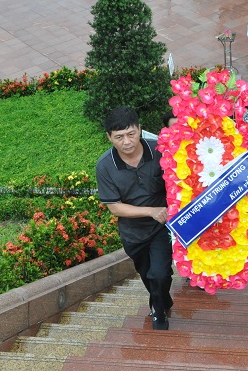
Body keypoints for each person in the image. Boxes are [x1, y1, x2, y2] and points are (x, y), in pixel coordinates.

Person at [95, 106, 173, 330]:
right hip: (133, 233)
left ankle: (159, 312)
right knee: (147, 274)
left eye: (131, 134)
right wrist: (150, 211)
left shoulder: (160, 149)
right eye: (119, 137)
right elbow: (115, 208)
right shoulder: (105, 166)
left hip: (162, 226)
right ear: (109, 137)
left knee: (160, 273)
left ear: (140, 129)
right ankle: (163, 301)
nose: (127, 142)